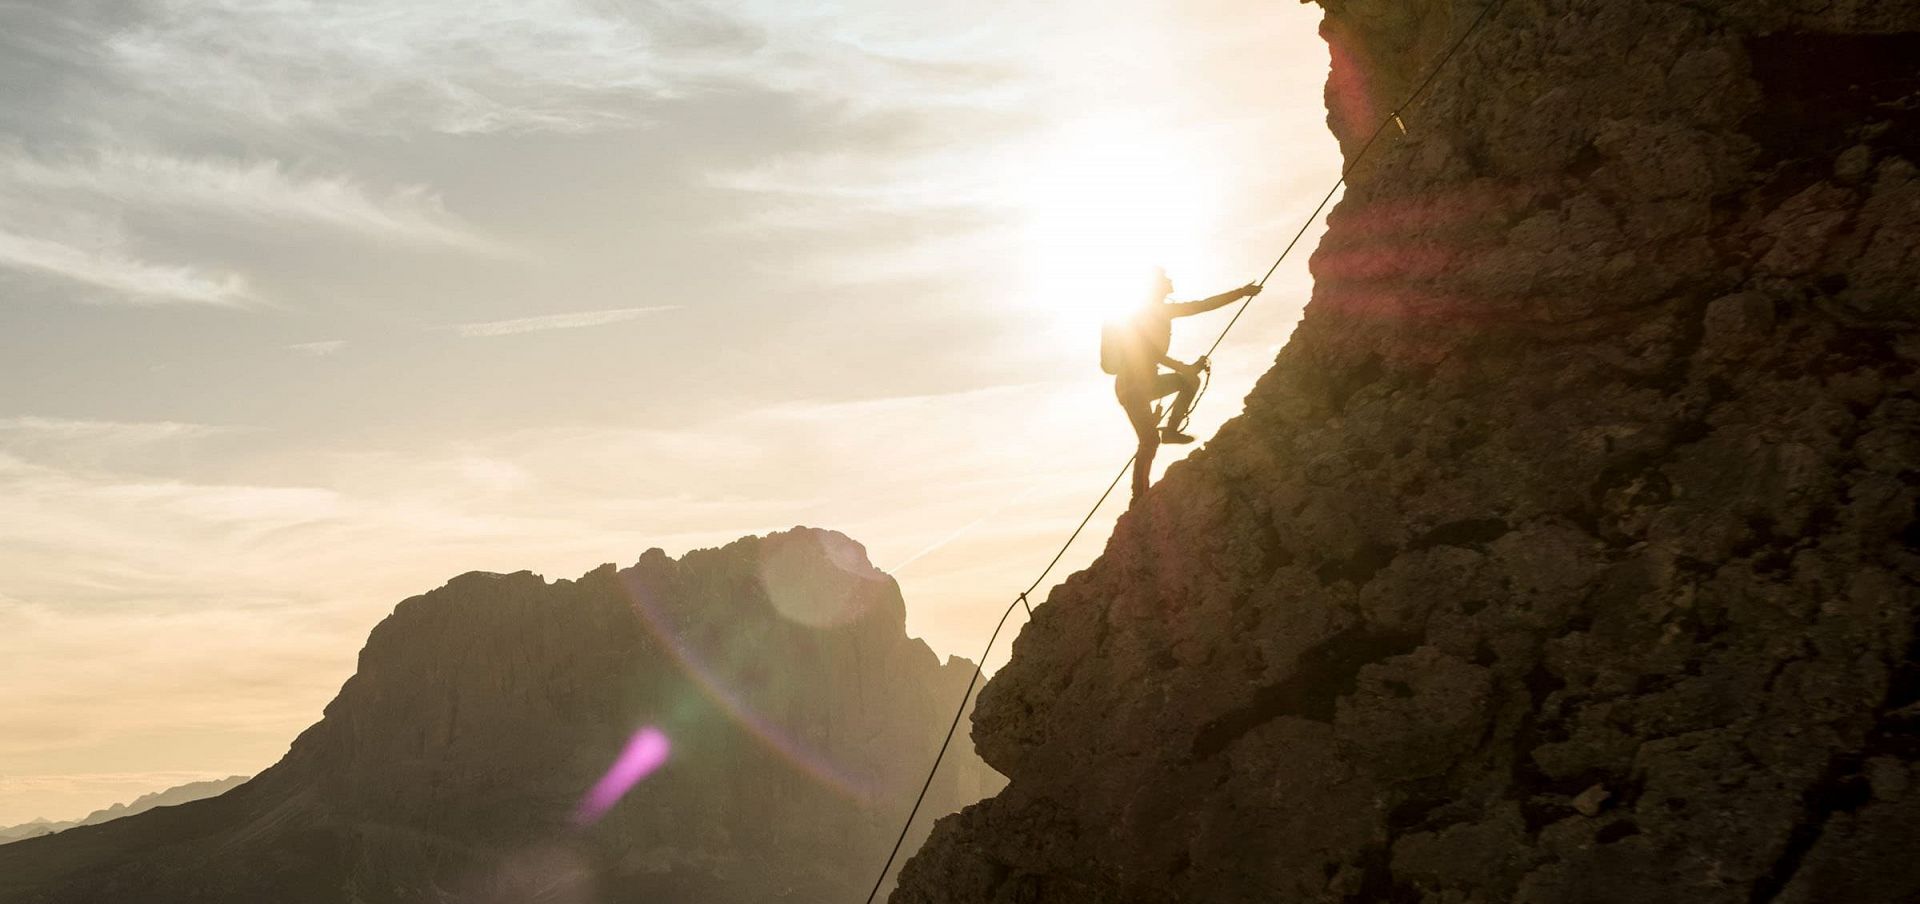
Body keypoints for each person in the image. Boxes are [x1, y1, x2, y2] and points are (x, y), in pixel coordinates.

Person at [1103, 269, 1261, 500]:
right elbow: (1148, 352)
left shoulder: (1156, 312)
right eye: (1166, 280)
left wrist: (1241, 293)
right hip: (1135, 386)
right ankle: (1143, 486)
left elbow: (1202, 305)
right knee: (1150, 438)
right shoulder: (1146, 314)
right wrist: (1182, 367)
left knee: (1153, 435)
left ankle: (1166, 439)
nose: (1170, 281)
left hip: (1136, 386)